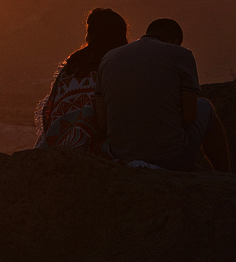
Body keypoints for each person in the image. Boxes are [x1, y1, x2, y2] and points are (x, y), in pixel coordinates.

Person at [95, 18, 230, 172]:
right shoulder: (181, 54)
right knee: (205, 106)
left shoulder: (108, 58)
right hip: (169, 158)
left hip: (121, 155)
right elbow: (190, 116)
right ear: (175, 41)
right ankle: (225, 176)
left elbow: (102, 123)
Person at [34, 8, 128, 152]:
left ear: (91, 34)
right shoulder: (118, 65)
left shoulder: (73, 63)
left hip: (59, 141)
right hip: (98, 146)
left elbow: (52, 109)